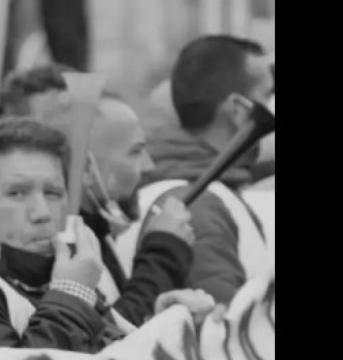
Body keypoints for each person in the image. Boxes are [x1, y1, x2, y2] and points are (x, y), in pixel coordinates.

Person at [0, 118, 215, 349]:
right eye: (17, 193)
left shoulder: (47, 269)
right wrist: (70, 293)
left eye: (52, 193)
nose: (41, 212)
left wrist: (161, 329)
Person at [2, 67, 196, 327]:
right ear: (87, 170)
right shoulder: (50, 244)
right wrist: (164, 251)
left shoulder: (89, 229)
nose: (149, 165)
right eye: (136, 151)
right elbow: (106, 340)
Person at [118, 35, 275, 302]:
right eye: (268, 93)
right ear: (239, 110)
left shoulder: (184, 188)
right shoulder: (200, 206)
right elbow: (223, 329)